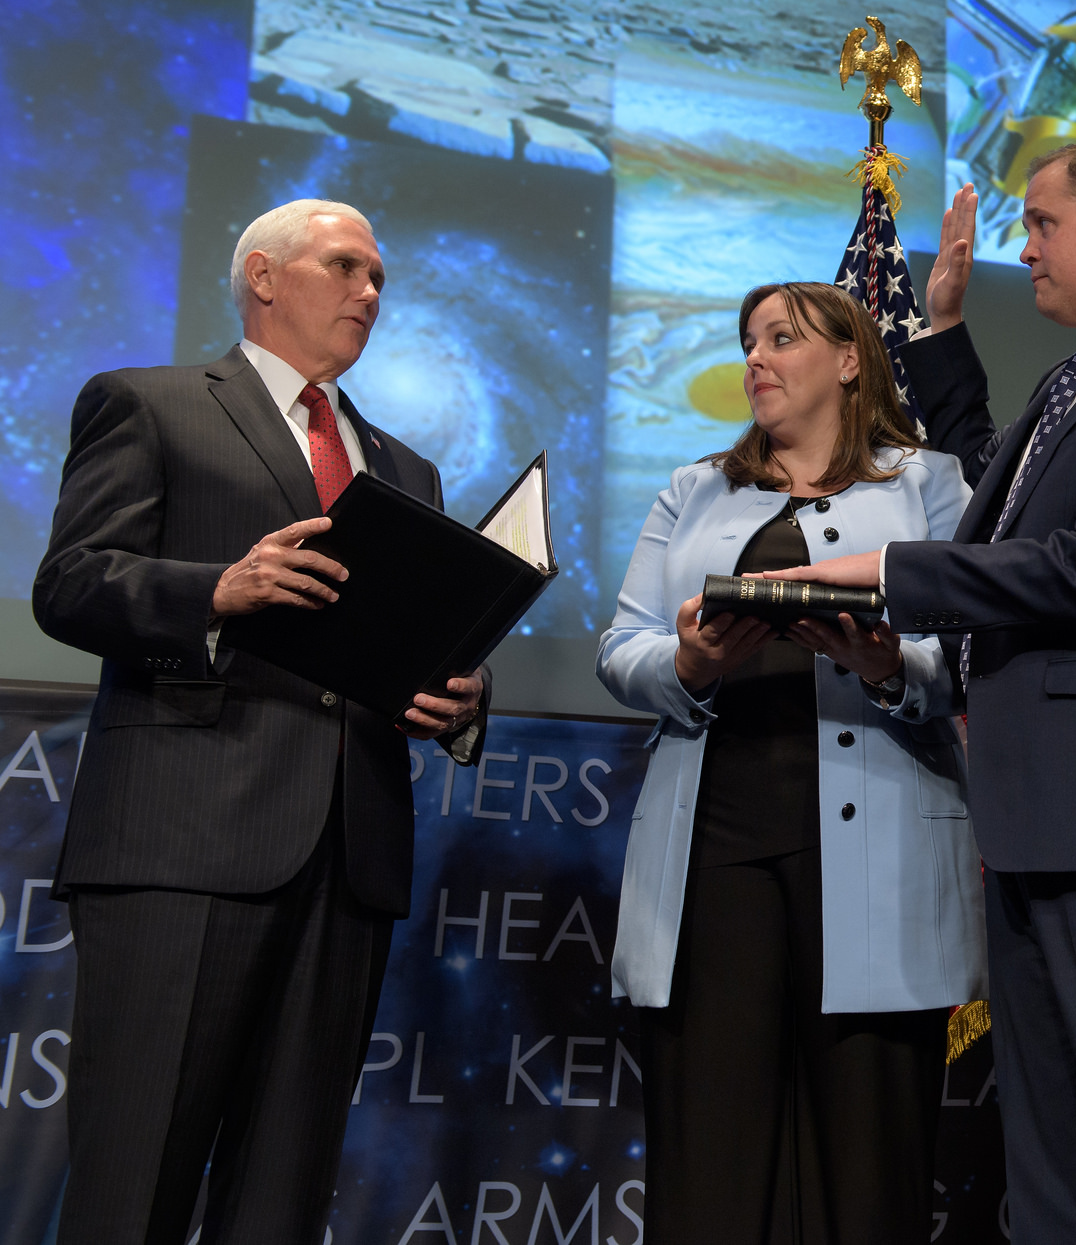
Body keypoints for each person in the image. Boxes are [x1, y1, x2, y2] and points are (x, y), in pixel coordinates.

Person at [766, 140, 1076, 1243]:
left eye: (1040, 224)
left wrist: (884, 575)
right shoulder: (1072, 378)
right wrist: (942, 335)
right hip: (1034, 814)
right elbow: (1004, 505)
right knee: (1049, 1169)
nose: (1021, 248)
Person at [33, 198, 487, 1244]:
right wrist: (213, 593)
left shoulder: (405, 470)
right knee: (135, 1176)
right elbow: (70, 583)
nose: (370, 291)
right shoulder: (151, 405)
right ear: (264, 279)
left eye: (378, 275)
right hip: (182, 844)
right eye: (344, 267)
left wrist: (461, 696)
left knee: (281, 1196)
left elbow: (422, 637)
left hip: (346, 863)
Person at [596, 280, 985, 1241]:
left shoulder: (928, 483)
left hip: (880, 846)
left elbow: (976, 644)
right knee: (712, 1152)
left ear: (851, 359)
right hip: (715, 850)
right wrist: (689, 661)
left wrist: (891, 662)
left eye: (782, 337)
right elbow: (622, 647)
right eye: (748, 342)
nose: (756, 358)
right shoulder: (696, 487)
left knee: (868, 1159)